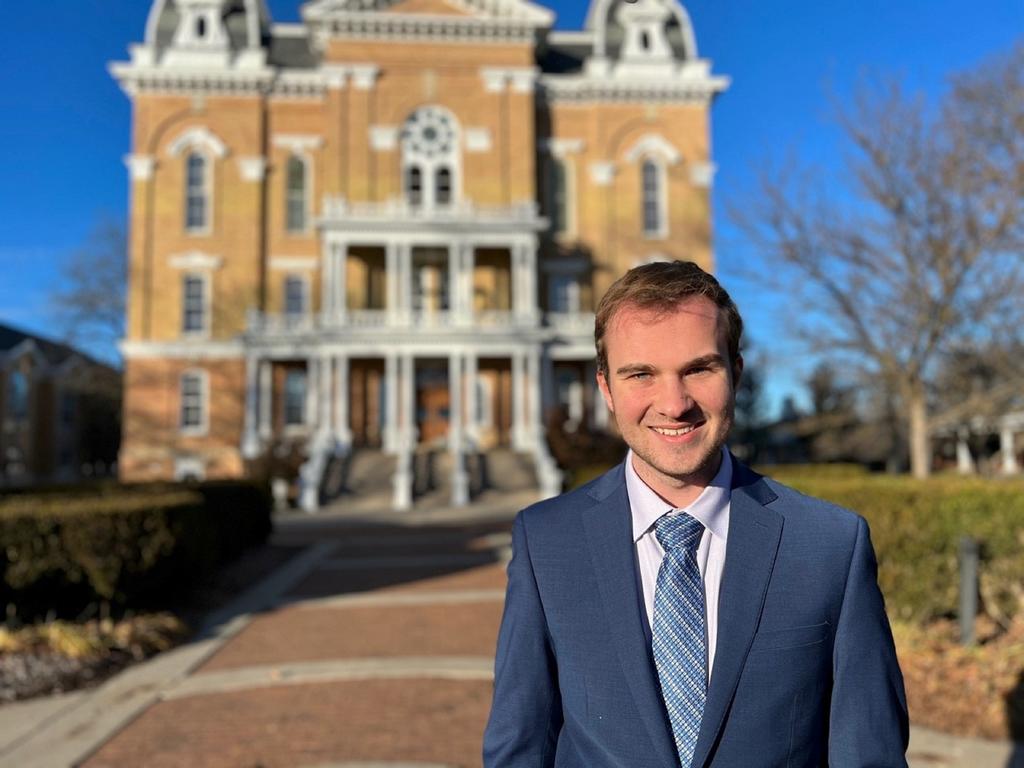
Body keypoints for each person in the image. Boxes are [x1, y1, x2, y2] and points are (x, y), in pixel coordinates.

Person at [483, 261, 908, 767]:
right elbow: (520, 744)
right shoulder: (546, 541)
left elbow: (869, 754)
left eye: (698, 369)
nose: (674, 403)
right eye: (641, 373)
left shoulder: (829, 544)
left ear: (737, 374)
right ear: (606, 389)